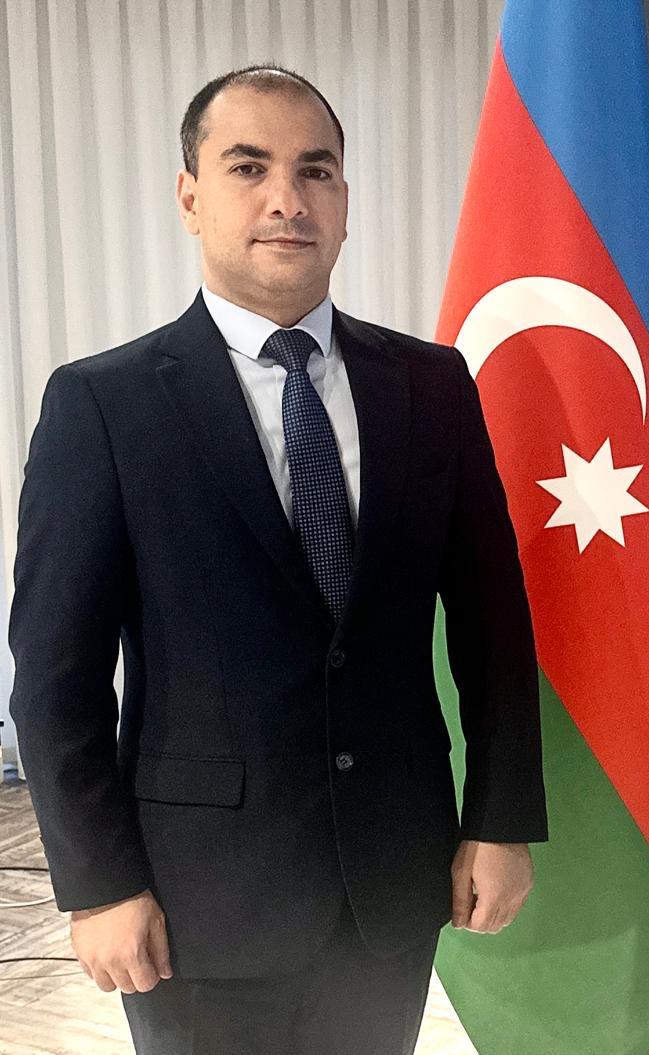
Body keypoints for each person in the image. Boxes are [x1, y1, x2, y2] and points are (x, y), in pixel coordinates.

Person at [7, 64, 547, 1055]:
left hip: (392, 874)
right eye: (248, 166)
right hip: (194, 899)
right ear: (190, 197)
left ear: (344, 200)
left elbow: (493, 624)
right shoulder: (104, 406)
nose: (286, 199)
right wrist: (99, 884)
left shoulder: (431, 386)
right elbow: (55, 681)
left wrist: (500, 817)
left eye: (316, 170)